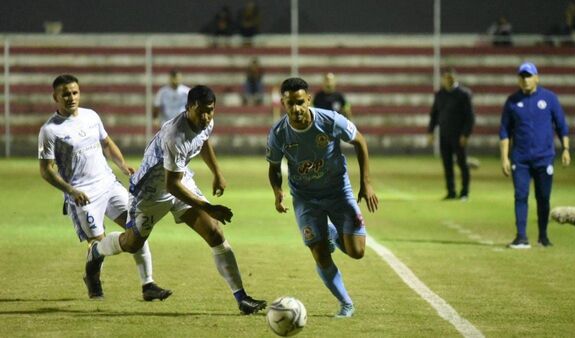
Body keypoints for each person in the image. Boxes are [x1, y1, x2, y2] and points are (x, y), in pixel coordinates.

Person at [87, 85, 267, 315]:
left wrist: (217, 173)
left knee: (215, 232)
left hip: (180, 181)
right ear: (188, 107)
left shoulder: (206, 121)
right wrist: (208, 207)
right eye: (200, 111)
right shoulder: (175, 135)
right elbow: (171, 185)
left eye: (210, 111)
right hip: (150, 192)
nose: (205, 117)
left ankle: (242, 298)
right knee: (133, 243)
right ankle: (97, 251)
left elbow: (203, 141)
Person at [38, 74, 172, 301]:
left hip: (108, 184)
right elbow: (46, 170)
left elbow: (107, 143)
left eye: (75, 92)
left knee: (138, 229)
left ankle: (148, 285)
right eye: (66, 94)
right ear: (55, 97)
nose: (71, 97)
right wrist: (71, 191)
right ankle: (92, 278)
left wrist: (122, 165)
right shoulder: (50, 130)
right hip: (83, 194)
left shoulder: (91, 116)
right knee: (98, 246)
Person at [267, 77, 379, 318]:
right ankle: (345, 303)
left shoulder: (329, 120)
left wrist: (366, 183)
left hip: (338, 191)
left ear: (308, 99)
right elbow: (274, 167)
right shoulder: (278, 133)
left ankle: (329, 232)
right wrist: (277, 192)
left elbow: (359, 140)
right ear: (283, 104)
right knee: (319, 252)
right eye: (290, 104)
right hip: (305, 198)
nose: (295, 109)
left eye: (300, 102)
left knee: (357, 252)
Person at [500, 62, 570, 249]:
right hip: (520, 158)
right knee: (520, 195)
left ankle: (543, 236)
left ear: (537, 77)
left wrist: (566, 149)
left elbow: (562, 125)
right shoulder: (512, 101)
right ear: (518, 79)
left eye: (529, 76)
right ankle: (521, 237)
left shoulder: (549, 99)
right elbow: (504, 131)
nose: (525, 80)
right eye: (522, 76)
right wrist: (505, 158)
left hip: (544, 157)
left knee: (543, 197)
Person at [427, 68, 474, 201]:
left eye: (450, 77)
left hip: (459, 135)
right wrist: (431, 131)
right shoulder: (440, 94)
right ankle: (451, 191)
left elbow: (470, 117)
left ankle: (464, 192)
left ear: (455, 78)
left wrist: (465, 134)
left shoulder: (464, 94)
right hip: (444, 135)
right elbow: (434, 114)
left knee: (462, 163)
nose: (448, 80)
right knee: (447, 164)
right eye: (445, 77)